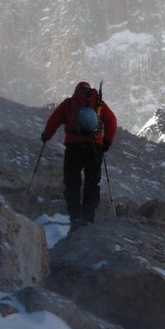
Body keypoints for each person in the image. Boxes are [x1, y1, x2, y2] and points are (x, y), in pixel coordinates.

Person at [41, 81, 117, 232]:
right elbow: (112, 121)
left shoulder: (69, 103)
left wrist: (46, 136)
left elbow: (54, 120)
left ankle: (75, 218)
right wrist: (106, 142)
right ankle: (88, 218)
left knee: (72, 183)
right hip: (94, 147)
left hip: (73, 147)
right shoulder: (99, 103)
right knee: (92, 183)